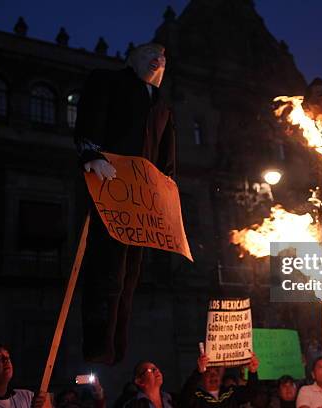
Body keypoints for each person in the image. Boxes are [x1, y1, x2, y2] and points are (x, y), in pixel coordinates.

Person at [74, 42, 176, 364]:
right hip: (111, 183)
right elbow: (91, 115)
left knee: (130, 273)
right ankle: (97, 342)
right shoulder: (107, 81)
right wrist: (91, 153)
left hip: (143, 195)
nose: (155, 60)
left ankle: (116, 344)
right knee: (107, 267)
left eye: (160, 58)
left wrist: (167, 187)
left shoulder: (162, 104)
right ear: (131, 58)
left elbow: (166, 150)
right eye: (149, 54)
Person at [179, 352, 259, 408]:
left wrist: (252, 372)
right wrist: (197, 372)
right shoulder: (197, 396)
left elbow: (251, 394)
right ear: (202, 376)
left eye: (216, 371)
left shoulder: (230, 393)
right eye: (209, 372)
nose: (213, 376)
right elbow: (184, 398)